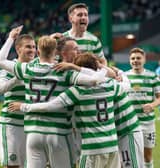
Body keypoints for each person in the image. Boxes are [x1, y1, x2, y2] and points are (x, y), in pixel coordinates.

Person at [0, 26, 105, 168]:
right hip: (58, 132)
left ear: (38, 51)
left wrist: (11, 37)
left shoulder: (28, 70)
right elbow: (95, 80)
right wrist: (87, 67)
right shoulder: (65, 72)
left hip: (33, 133)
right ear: (56, 52)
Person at [9, 53, 144, 168]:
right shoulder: (111, 85)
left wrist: (23, 106)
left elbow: (50, 106)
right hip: (112, 146)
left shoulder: (77, 91)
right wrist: (116, 71)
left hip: (92, 148)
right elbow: (127, 85)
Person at [0, 26, 36, 168]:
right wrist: (16, 80)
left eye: (34, 47)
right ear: (18, 49)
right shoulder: (10, 66)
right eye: (28, 47)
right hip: (10, 125)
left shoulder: (36, 68)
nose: (32, 50)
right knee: (12, 166)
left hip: (30, 126)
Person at [125, 48, 160, 168]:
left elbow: (159, 97)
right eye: (133, 58)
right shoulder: (125, 77)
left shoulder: (152, 76)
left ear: (144, 60)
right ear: (129, 61)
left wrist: (152, 105)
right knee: (131, 155)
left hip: (147, 122)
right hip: (130, 123)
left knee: (147, 155)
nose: (135, 60)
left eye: (138, 58)